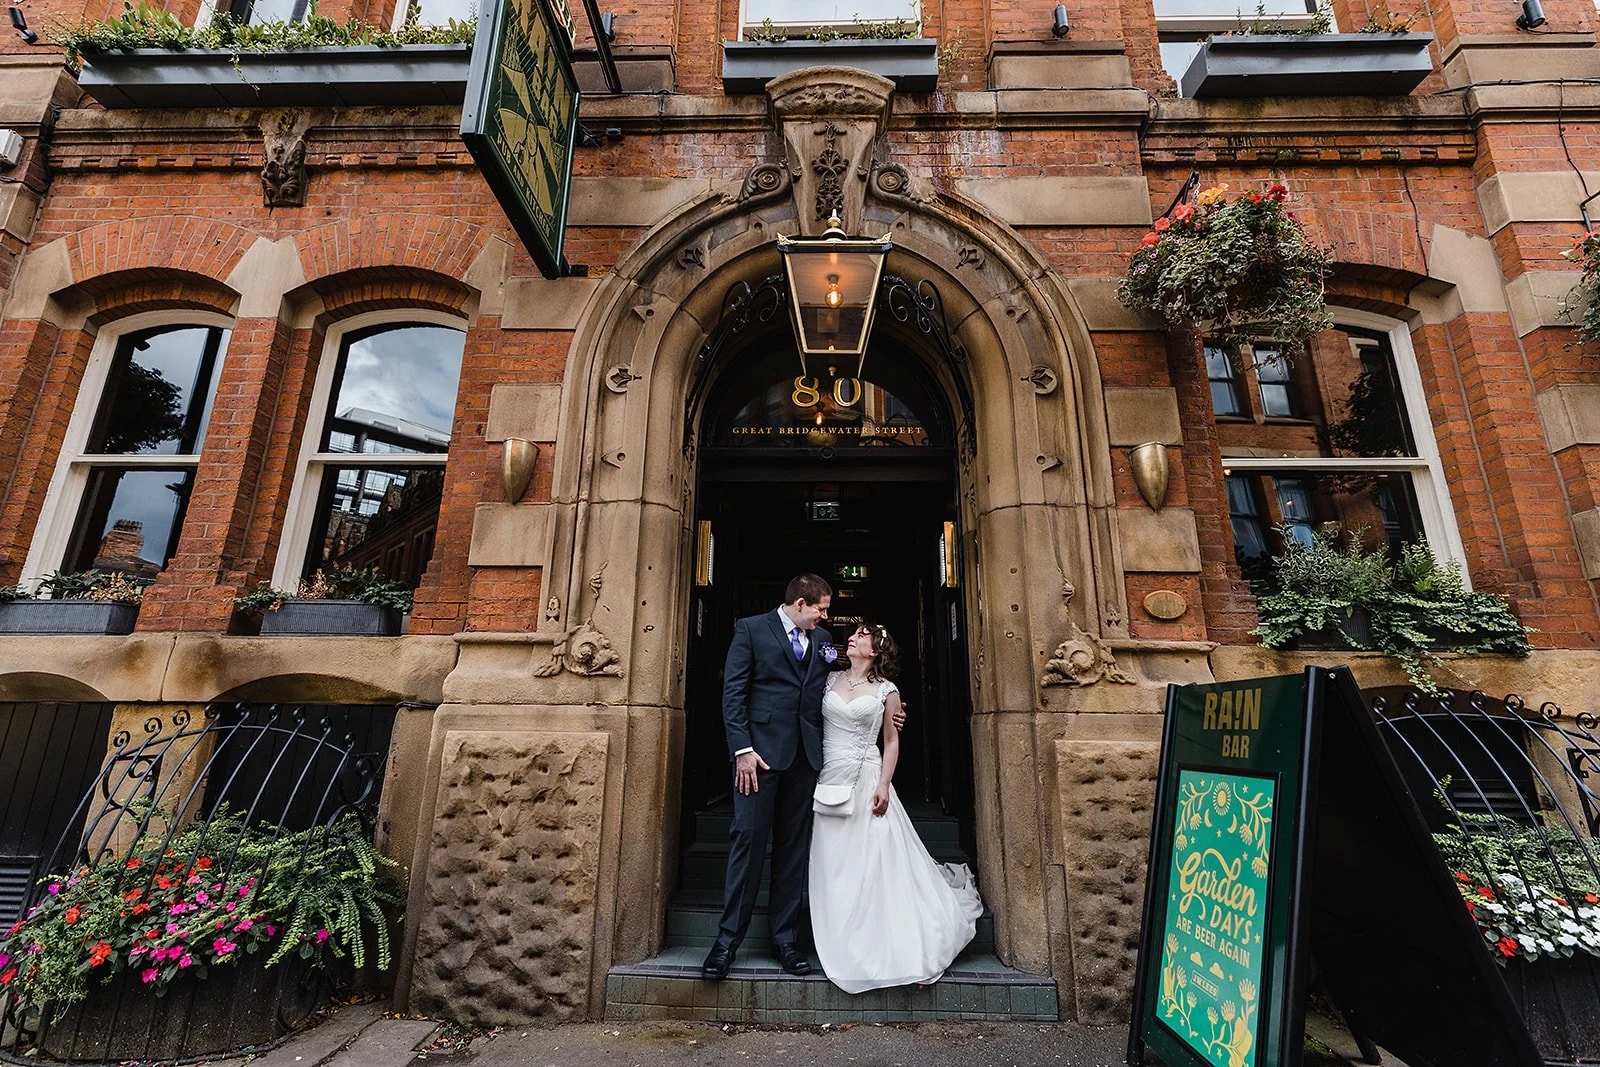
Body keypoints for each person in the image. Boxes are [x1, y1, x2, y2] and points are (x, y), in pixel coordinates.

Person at [808, 623, 982, 993]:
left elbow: (891, 741)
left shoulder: (887, 691)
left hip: (868, 777)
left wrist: (884, 784)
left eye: (862, 635)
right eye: (853, 634)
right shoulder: (827, 679)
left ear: (874, 651)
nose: (852, 637)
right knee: (835, 863)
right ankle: (841, 937)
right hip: (830, 777)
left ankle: (896, 946)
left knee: (874, 863)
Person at [702, 573, 837, 980]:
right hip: (757, 760)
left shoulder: (824, 638)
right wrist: (742, 750)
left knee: (792, 852)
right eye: (821, 608)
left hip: (805, 760)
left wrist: (887, 705)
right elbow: (734, 693)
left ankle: (785, 941)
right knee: (748, 843)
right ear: (800, 604)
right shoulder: (751, 629)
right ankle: (726, 943)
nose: (825, 616)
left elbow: (841, 680)